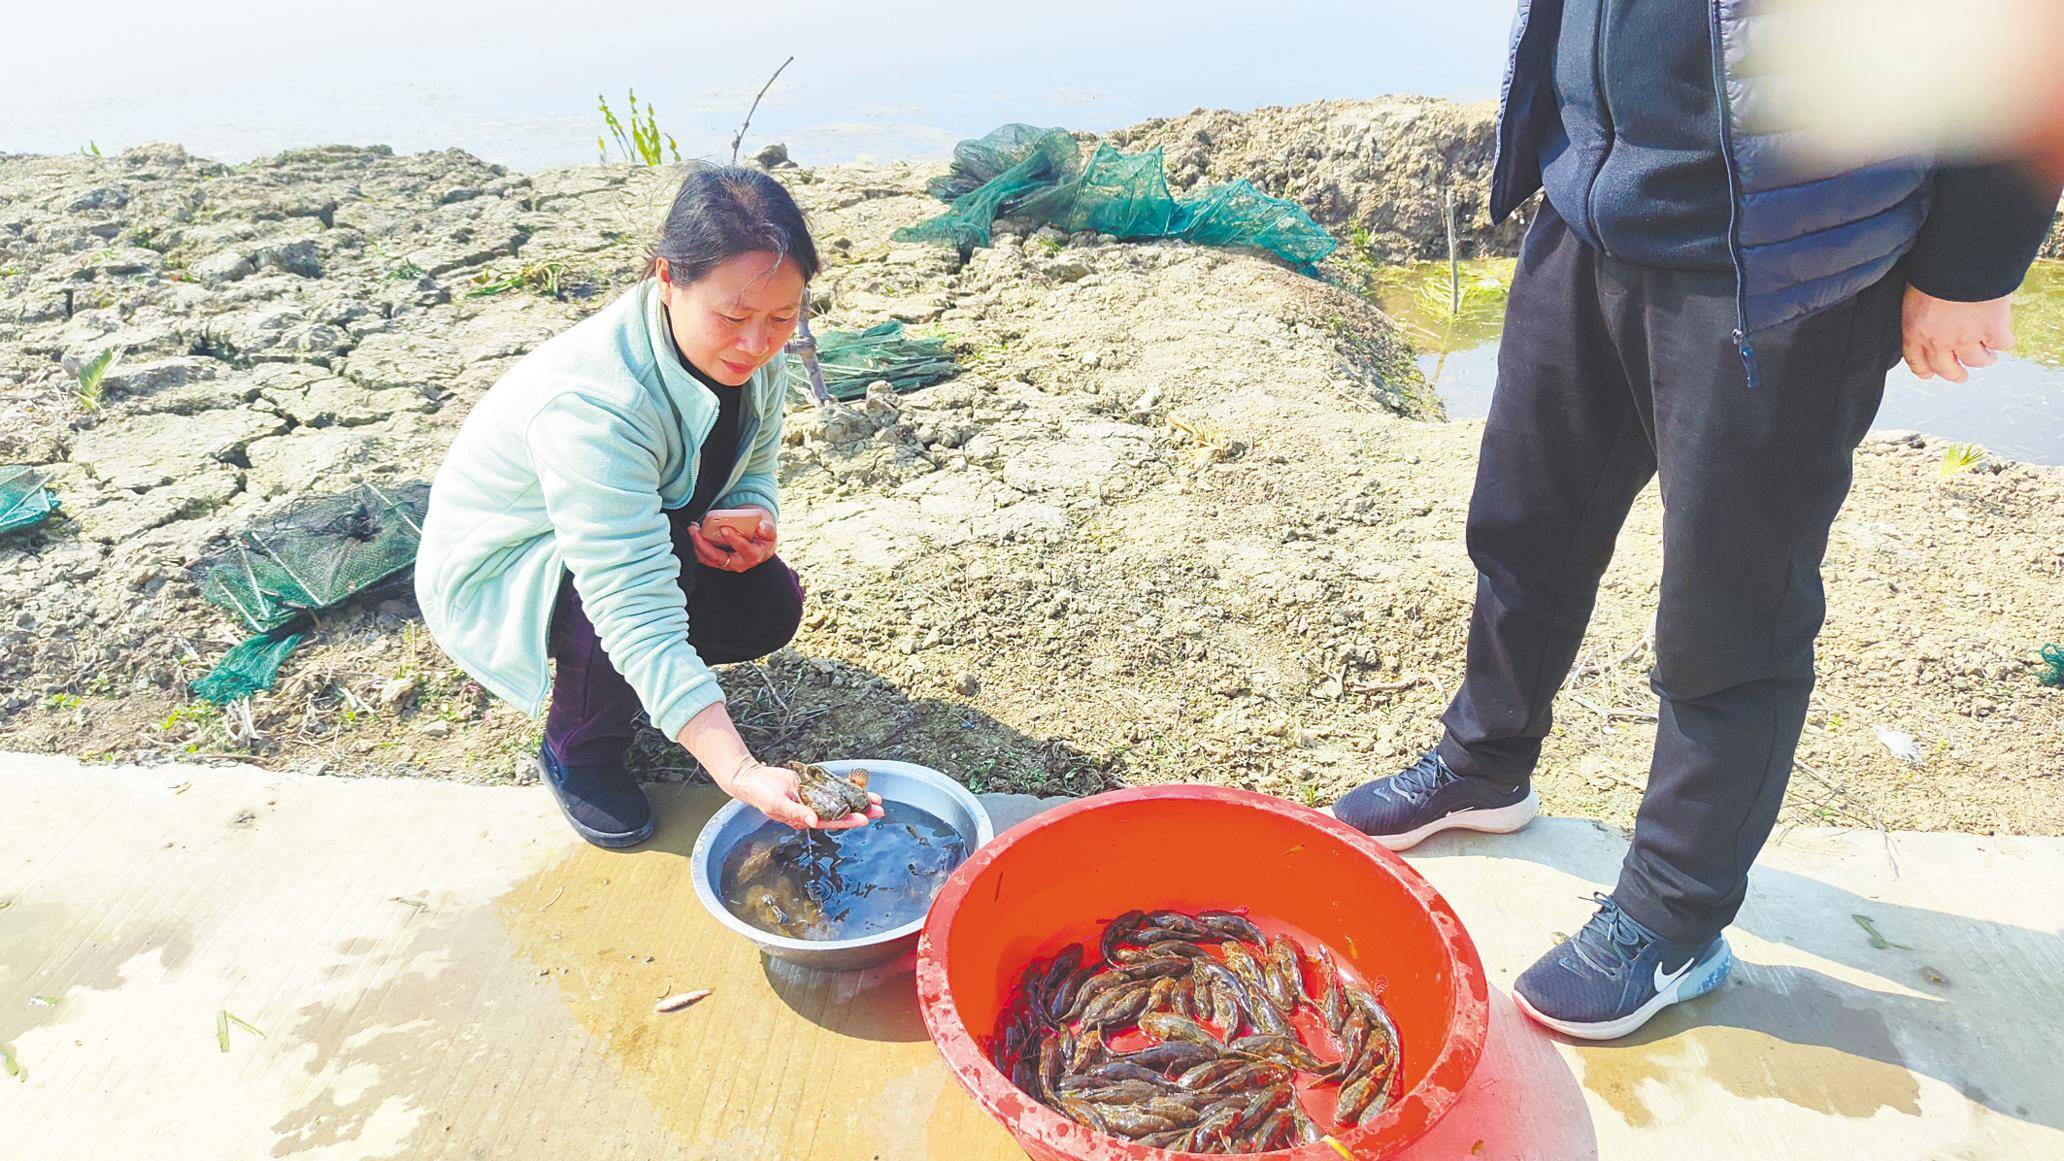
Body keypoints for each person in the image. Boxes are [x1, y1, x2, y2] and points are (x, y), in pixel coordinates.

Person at [1332, 0, 2061, 1040]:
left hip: (1785, 262)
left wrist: (1973, 264)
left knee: (1730, 614)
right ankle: (1483, 763)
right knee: (1524, 526)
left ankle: (1674, 914)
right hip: (1590, 209)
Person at [414, 164, 882, 848]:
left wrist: (750, 515)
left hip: (645, 527)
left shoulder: (755, 354)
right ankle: (578, 749)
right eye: (733, 317)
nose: (758, 343)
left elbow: (754, 460)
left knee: (768, 605)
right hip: (511, 568)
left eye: (783, 317)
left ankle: (657, 690)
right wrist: (739, 770)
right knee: (631, 606)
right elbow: (630, 601)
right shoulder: (595, 405)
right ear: (667, 279)